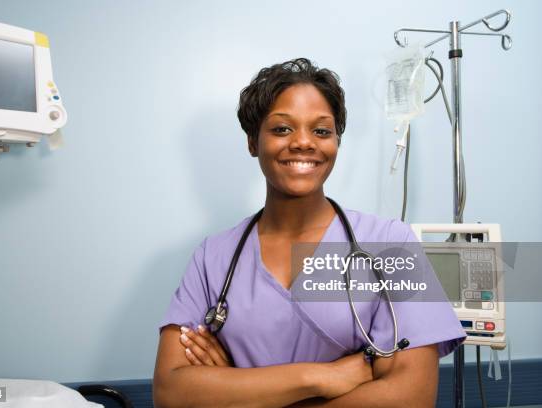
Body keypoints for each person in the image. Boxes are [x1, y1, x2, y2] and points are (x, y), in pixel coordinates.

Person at [153, 58, 465, 407]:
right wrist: (325, 377)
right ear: (253, 142)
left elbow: (412, 397)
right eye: (282, 129)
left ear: (336, 142)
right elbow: (171, 393)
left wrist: (239, 388)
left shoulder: (391, 244)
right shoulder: (213, 258)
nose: (304, 142)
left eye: (321, 131)